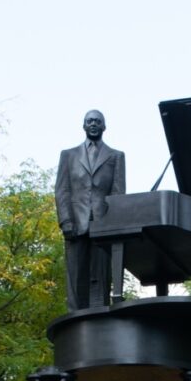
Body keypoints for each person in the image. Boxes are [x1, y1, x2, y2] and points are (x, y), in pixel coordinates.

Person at [55, 109, 125, 310]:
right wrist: (65, 221)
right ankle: (76, 317)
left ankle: (99, 316)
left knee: (102, 276)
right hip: (76, 224)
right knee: (76, 275)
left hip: (104, 224)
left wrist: (114, 225)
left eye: (97, 121)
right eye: (89, 121)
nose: (93, 124)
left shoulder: (116, 156)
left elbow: (118, 193)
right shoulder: (68, 155)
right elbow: (62, 190)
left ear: (104, 126)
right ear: (84, 126)